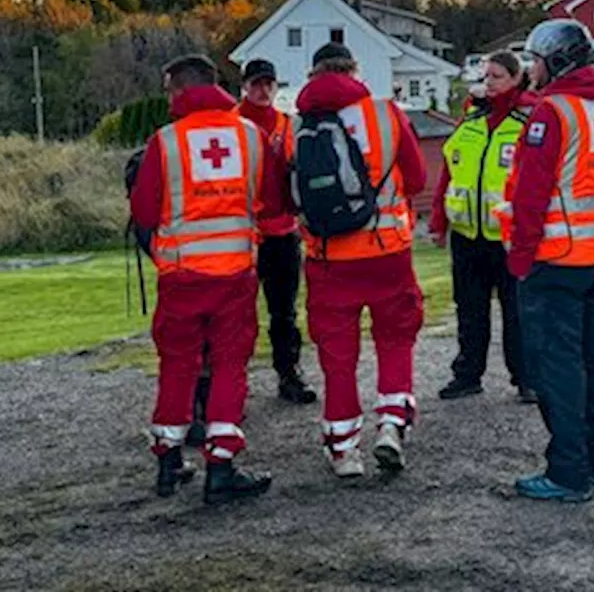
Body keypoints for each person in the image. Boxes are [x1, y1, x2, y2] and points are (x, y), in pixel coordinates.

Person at [129, 53, 280, 505]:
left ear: (179, 89)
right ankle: (222, 464)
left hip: (180, 275)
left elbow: (143, 211)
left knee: (178, 365)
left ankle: (168, 460)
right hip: (234, 272)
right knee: (230, 367)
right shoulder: (252, 136)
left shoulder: (166, 141)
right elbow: (272, 202)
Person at [500, 20, 594, 503]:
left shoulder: (551, 112)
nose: (531, 67)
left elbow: (531, 193)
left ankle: (568, 470)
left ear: (556, 60)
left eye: (535, 58)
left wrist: (521, 256)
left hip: (553, 258)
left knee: (557, 367)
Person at [292, 42, 427, 478]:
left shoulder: (299, 125)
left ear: (314, 75)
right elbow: (419, 177)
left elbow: (282, 194)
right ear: (354, 71)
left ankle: (344, 449)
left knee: (338, 358)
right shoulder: (387, 114)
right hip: (388, 251)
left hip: (329, 257)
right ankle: (391, 423)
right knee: (395, 340)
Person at [430, 50, 538, 403]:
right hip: (467, 234)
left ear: (515, 79)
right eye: (486, 76)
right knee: (469, 309)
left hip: (507, 237)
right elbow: (449, 172)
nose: (489, 83)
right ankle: (467, 374)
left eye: (497, 77)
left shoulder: (527, 121)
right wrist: (438, 220)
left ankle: (526, 378)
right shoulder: (471, 120)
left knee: (517, 312)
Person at [234, 58, 318, 404]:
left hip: (283, 230)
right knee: (237, 316)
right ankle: (232, 383)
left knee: (283, 311)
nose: (263, 90)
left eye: (269, 84)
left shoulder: (288, 125)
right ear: (244, 87)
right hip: (244, 234)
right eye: (256, 84)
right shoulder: (232, 125)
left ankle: (289, 373)